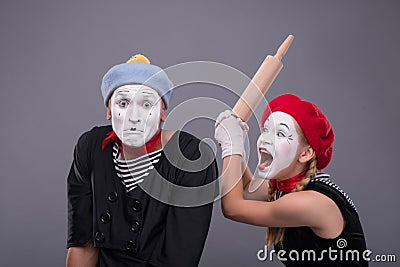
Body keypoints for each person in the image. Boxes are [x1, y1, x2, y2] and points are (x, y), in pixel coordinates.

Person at [66, 54, 218, 267]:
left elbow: (179, 259)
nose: (133, 116)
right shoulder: (90, 147)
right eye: (123, 103)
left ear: (163, 112)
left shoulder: (193, 157)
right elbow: (83, 245)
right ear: (109, 110)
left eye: (147, 104)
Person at [214, 94, 368, 266]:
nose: (266, 138)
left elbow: (233, 208)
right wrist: (237, 145)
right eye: (266, 130)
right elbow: (247, 190)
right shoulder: (286, 187)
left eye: (280, 133)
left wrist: (231, 147)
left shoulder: (309, 202)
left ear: (305, 154)